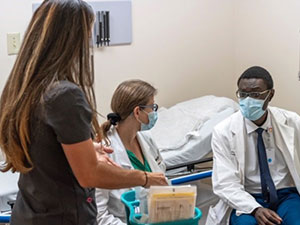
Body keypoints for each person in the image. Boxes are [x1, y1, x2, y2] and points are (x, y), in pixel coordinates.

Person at [0, 1, 167, 225]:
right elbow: (89, 174)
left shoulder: (23, 89)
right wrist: (145, 178)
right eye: (87, 35)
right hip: (63, 218)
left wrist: (87, 149)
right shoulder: (64, 95)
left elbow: (44, 149)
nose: (88, 44)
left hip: (30, 213)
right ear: (71, 40)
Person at [205, 66, 300, 225]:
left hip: (286, 194)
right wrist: (254, 208)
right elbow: (225, 183)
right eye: (243, 94)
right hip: (247, 196)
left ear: (270, 94)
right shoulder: (223, 131)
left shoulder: (292, 122)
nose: (248, 100)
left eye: (256, 94)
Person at [95, 79, 166, 225]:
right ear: (137, 111)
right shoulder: (105, 151)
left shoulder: (146, 139)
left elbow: (160, 179)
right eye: (152, 107)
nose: (154, 112)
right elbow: (99, 215)